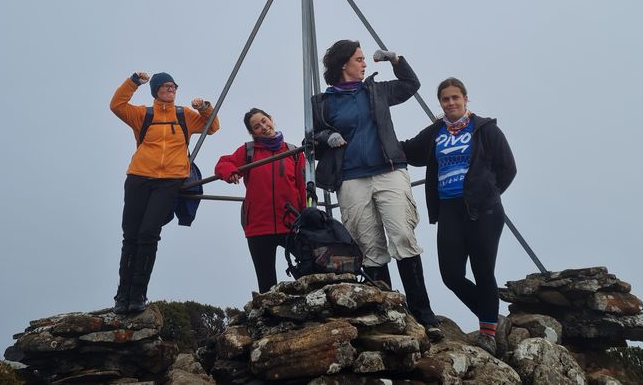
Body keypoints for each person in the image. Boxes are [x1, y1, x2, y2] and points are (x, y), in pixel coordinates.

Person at [311, 39, 443, 340]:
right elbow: (314, 134)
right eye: (359, 59)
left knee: (403, 236)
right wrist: (327, 134)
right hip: (351, 178)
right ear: (344, 64)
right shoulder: (324, 102)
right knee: (367, 245)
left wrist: (396, 59)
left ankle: (424, 313)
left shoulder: (376, 90)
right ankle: (388, 313)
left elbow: (411, 84)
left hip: (389, 171)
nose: (365, 63)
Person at [401, 77, 516, 355]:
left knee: (482, 270)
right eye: (445, 99)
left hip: (484, 210)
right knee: (451, 274)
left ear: (465, 99)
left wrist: (487, 192)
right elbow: (409, 150)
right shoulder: (436, 132)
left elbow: (507, 168)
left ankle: (487, 332)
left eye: (455, 97)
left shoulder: (484, 129)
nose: (451, 103)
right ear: (440, 103)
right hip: (449, 209)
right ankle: (492, 316)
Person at [109, 71, 219, 314]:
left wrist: (205, 107)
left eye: (174, 85)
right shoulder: (142, 114)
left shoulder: (184, 115)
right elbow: (116, 105)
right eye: (166, 86)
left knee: (148, 233)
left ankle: (137, 295)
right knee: (131, 235)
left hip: (169, 181)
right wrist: (133, 82)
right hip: (138, 177)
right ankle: (122, 296)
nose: (171, 88)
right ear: (156, 89)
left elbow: (212, 127)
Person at [214, 108, 307, 293]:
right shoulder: (248, 151)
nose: (264, 127)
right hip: (258, 226)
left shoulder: (294, 152)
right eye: (257, 126)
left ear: (271, 119)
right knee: (266, 284)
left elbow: (302, 188)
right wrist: (230, 172)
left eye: (264, 121)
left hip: (290, 223)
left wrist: (306, 218)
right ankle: (271, 319)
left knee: (309, 268)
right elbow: (223, 163)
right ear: (252, 132)